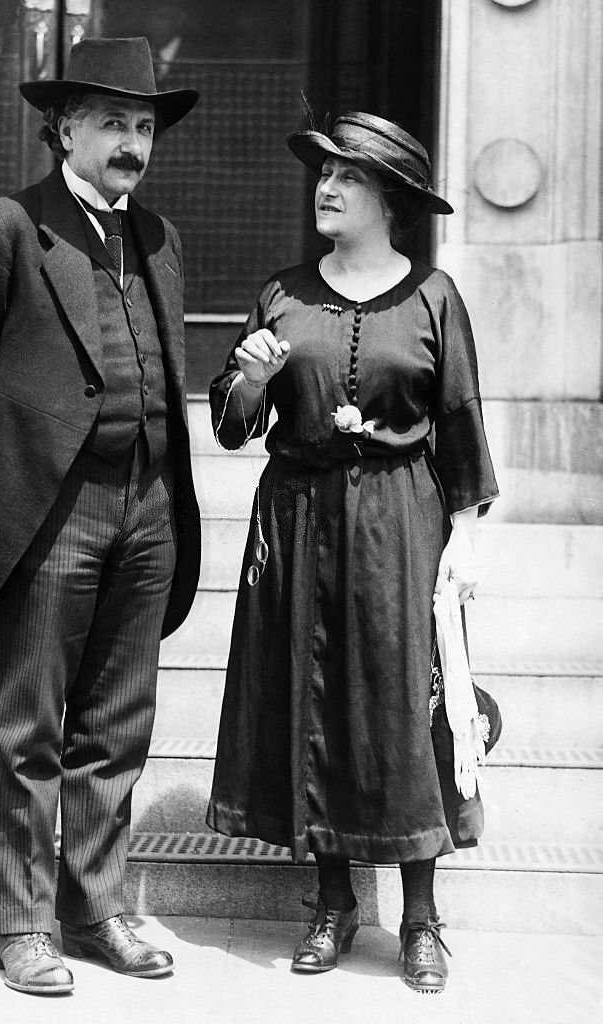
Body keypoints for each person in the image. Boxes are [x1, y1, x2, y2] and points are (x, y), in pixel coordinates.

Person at [0, 37, 201, 996]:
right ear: (63, 128)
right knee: (30, 725)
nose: (132, 142)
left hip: (151, 507)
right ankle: (20, 923)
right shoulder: (6, 228)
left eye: (144, 126)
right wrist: (6, 465)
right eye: (113, 122)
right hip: (52, 507)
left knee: (116, 727)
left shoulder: (158, 240)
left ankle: (97, 907)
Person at [205, 112, 499, 995]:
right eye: (324, 173)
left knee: (406, 705)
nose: (325, 188)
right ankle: (331, 905)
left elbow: (458, 421)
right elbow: (230, 422)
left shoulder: (433, 296)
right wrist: (251, 380)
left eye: (347, 177)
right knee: (311, 698)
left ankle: (418, 918)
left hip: (403, 522)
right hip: (297, 518)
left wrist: (466, 535)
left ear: (391, 200)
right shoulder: (282, 293)